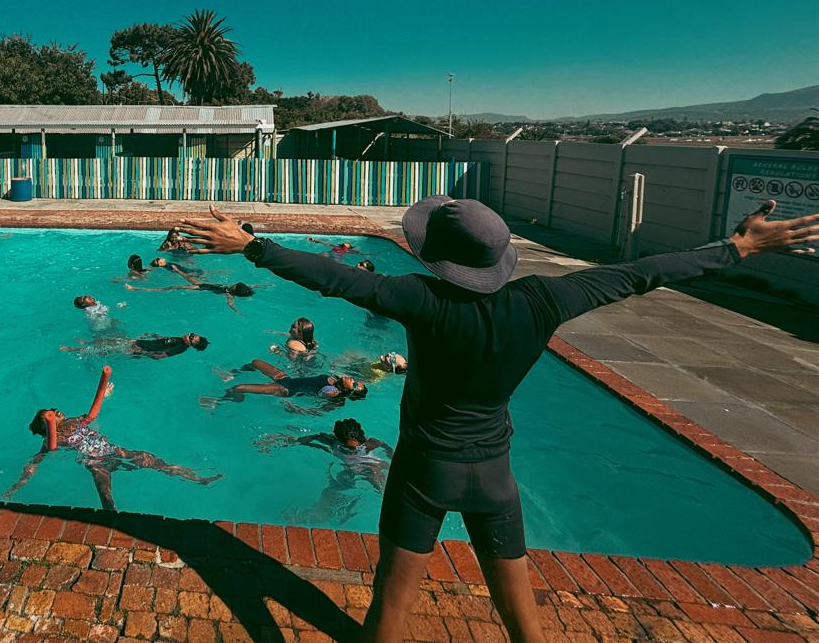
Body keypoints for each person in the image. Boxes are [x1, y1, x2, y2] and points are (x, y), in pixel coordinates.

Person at [178, 200, 819, 643]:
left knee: (390, 612)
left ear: (441, 258)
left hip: (425, 472)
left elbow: (333, 279)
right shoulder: (544, 299)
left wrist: (252, 245)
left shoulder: (420, 299)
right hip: (496, 479)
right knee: (524, 623)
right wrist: (735, 248)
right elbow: (640, 275)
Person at [4, 367, 221, 511]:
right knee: (106, 496)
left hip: (114, 451)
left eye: (52, 409)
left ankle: (196, 478)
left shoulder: (73, 421)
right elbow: (36, 462)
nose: (55, 411)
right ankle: (114, 522)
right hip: (95, 463)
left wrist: (103, 395)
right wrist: (16, 487)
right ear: (46, 424)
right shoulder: (49, 441)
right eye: (49, 415)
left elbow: (91, 415)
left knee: (153, 460)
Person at [259, 419, 395, 526]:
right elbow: (305, 439)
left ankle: (391, 509)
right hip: (348, 471)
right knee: (331, 491)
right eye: (349, 448)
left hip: (372, 467)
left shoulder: (371, 443)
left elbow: (391, 453)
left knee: (376, 478)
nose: (354, 450)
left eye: (357, 446)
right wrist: (279, 441)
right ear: (339, 440)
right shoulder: (330, 441)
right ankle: (314, 516)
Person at [207, 359, 366, 410]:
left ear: (348, 391)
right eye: (356, 382)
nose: (352, 381)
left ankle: (219, 402)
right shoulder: (337, 379)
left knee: (238, 388)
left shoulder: (333, 392)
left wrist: (296, 409)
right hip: (287, 379)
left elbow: (321, 408)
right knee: (256, 362)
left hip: (285, 389)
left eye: (354, 385)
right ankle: (232, 374)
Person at [123, 266, 258, 313]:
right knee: (186, 276)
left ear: (235, 289)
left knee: (173, 287)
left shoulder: (229, 294)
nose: (233, 283)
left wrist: (236, 311)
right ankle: (177, 270)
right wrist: (260, 285)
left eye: (235, 285)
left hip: (201, 288)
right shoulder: (230, 288)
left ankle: (137, 289)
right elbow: (250, 287)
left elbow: (230, 303)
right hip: (203, 284)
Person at [61, 332, 210, 359]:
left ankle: (75, 350)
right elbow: (165, 341)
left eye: (191, 337)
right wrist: (155, 335)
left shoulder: (180, 348)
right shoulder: (179, 340)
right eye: (192, 333)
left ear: (191, 344)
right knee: (107, 342)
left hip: (137, 348)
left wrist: (142, 352)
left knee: (106, 347)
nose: (189, 334)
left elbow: (159, 357)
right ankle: (85, 346)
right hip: (138, 343)